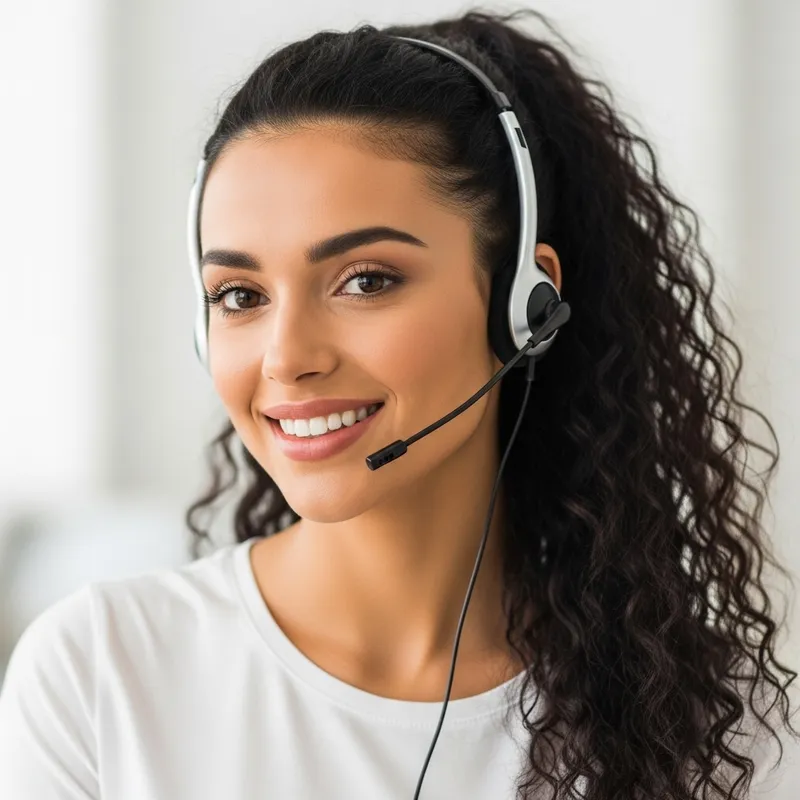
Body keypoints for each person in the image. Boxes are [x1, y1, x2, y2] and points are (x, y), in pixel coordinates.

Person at [0, 8, 796, 799]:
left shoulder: (715, 729)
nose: (287, 358)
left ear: (524, 302)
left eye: (367, 281)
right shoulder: (100, 675)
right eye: (240, 295)